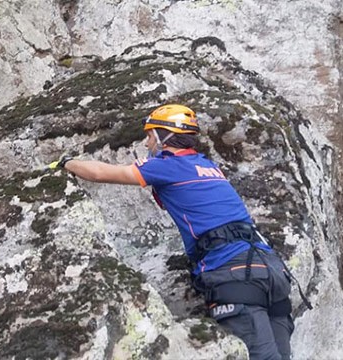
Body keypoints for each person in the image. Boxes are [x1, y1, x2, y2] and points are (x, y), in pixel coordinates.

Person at [49, 104, 306, 360]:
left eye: (150, 135)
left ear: (164, 135)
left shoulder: (168, 166)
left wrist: (67, 162)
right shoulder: (207, 165)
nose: (147, 142)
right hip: (271, 270)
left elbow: (100, 173)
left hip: (234, 272)